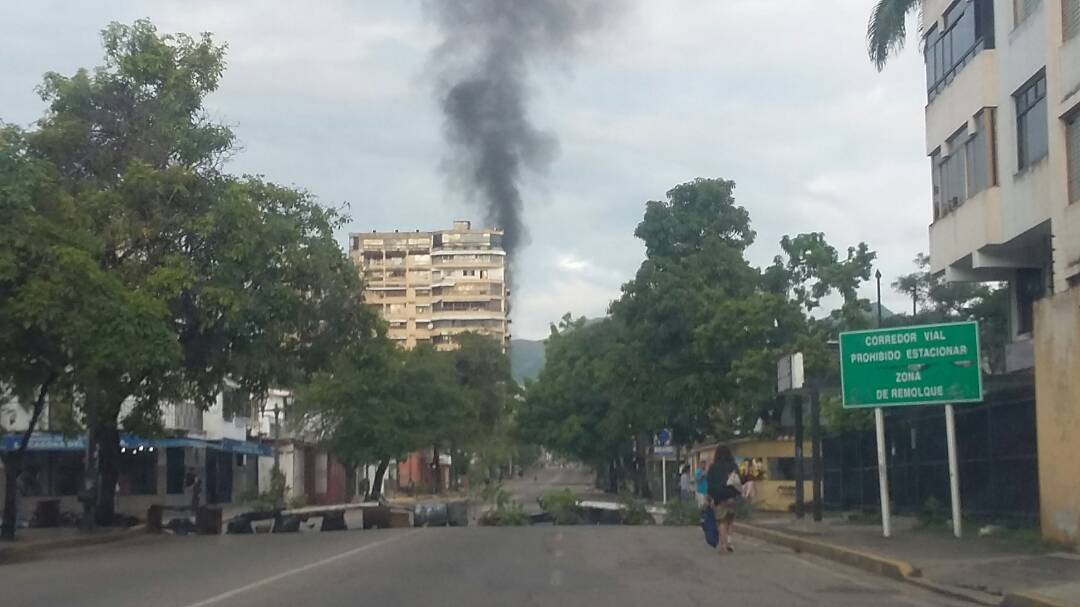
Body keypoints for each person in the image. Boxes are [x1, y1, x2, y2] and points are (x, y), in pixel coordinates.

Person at [706, 446, 742, 552]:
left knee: (722, 521)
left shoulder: (713, 467)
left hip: (719, 498)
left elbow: (710, 484)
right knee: (730, 520)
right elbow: (739, 481)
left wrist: (710, 497)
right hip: (732, 497)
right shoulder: (733, 466)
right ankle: (730, 542)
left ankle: (723, 545)